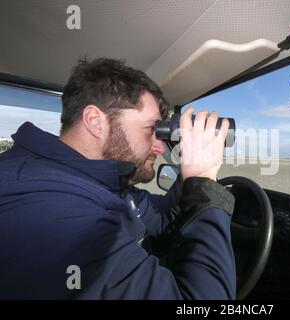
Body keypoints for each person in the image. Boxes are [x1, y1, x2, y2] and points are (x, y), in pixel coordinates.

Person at [0, 58, 236, 299]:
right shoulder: (54, 211)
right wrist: (203, 180)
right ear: (95, 122)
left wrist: (191, 171)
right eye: (151, 129)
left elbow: (162, 216)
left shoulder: (101, 183)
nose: (159, 147)